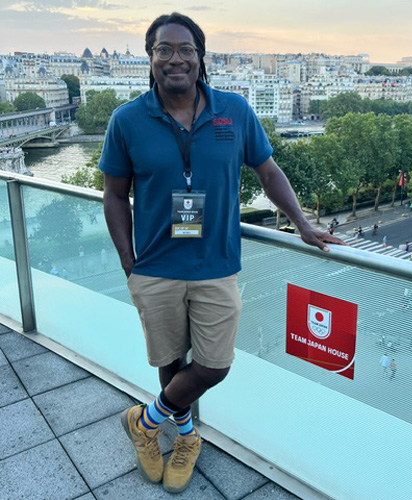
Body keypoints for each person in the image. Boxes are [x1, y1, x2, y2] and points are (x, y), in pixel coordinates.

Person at [99, 12, 347, 494]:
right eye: (164, 49)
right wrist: (130, 264)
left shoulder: (235, 110)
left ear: (201, 57)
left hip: (216, 266)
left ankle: (145, 422)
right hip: (155, 266)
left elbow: (269, 173)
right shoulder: (126, 120)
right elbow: (113, 195)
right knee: (169, 362)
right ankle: (184, 438)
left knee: (214, 365)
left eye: (186, 49)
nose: (176, 58)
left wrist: (303, 225)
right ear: (149, 59)